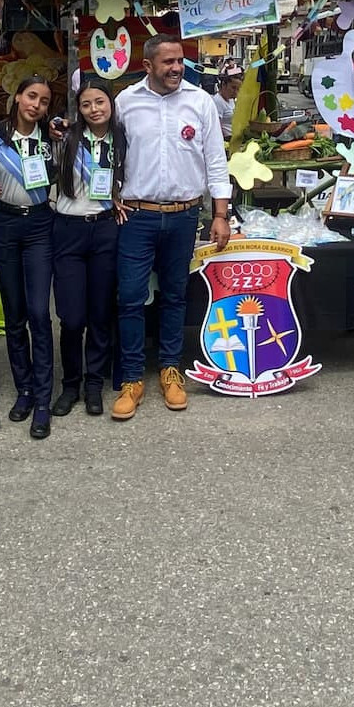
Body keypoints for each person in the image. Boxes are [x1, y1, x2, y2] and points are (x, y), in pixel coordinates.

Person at [113, 36, 232, 420]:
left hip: (184, 216)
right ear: (148, 65)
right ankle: (132, 378)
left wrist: (220, 214)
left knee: (175, 296)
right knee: (131, 298)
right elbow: (110, 154)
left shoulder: (200, 102)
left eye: (180, 61)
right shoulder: (125, 103)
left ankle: (170, 369)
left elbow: (216, 161)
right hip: (137, 216)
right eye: (168, 62)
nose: (176, 68)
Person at [0, 74, 58, 439]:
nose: (36, 105)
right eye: (31, 96)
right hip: (5, 225)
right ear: (17, 97)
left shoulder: (53, 137)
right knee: (14, 316)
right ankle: (24, 389)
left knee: (39, 314)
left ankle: (43, 398)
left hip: (40, 226)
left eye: (44, 101)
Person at [50, 78, 125, 417]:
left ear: (110, 103)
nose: (94, 109)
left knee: (99, 313)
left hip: (105, 230)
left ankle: (94, 383)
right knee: (71, 317)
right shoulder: (65, 139)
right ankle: (70, 384)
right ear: (78, 110)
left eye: (100, 102)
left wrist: (119, 197)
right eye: (86, 104)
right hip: (68, 231)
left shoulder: (122, 139)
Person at [214, 61, 243, 140]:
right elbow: (216, 127)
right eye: (233, 88)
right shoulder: (218, 101)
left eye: (238, 89)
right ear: (224, 84)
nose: (235, 92)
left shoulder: (231, 100)